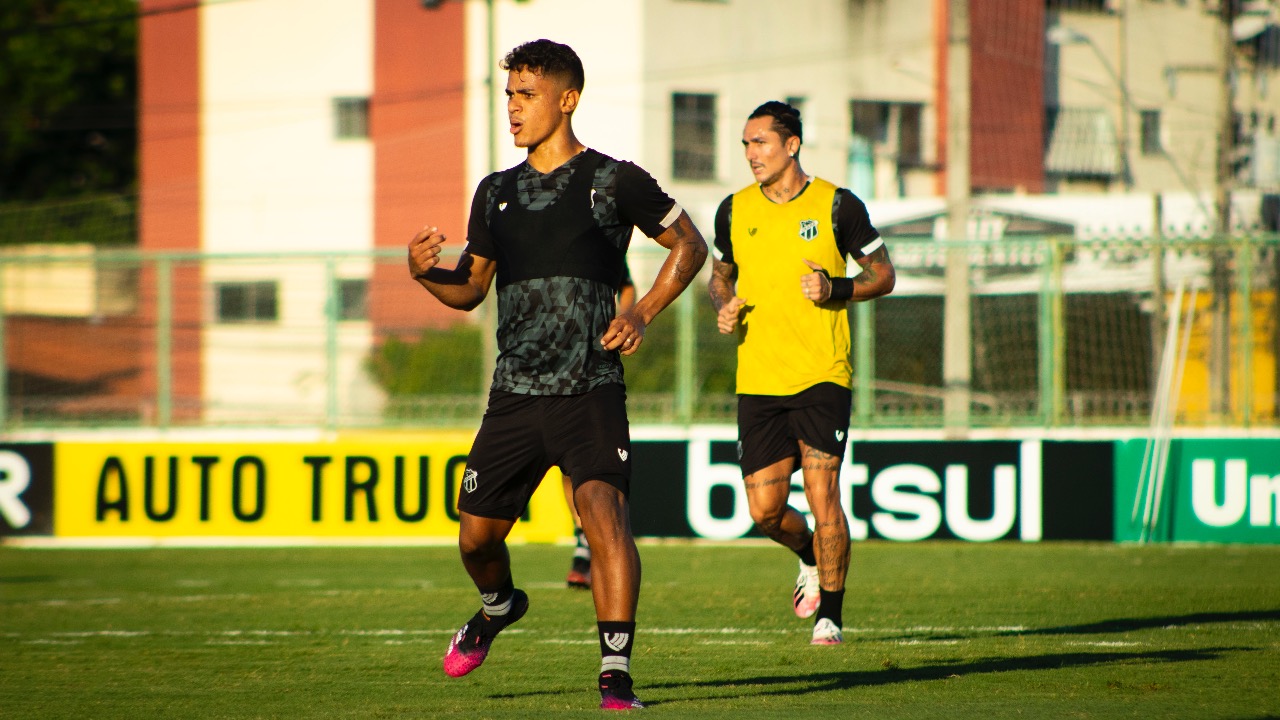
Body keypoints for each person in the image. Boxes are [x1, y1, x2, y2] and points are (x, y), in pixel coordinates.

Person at [408, 39, 707, 710]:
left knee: (603, 514)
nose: (513, 107)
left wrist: (646, 313)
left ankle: (615, 674)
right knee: (476, 538)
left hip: (590, 389)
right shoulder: (495, 193)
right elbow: (471, 289)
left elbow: (690, 243)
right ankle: (497, 607)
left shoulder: (614, 180)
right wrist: (423, 273)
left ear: (567, 99)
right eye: (509, 94)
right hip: (514, 397)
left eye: (527, 94)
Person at [707, 101, 895, 646]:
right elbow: (721, 276)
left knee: (823, 493)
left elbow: (883, 274)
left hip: (822, 374)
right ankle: (809, 555)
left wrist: (835, 288)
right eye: (745, 144)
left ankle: (830, 616)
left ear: (791, 145)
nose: (750, 154)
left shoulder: (838, 205)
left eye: (760, 142)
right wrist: (725, 303)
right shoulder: (733, 210)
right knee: (764, 512)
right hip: (759, 378)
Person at [563, 264, 636, 590]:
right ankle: (582, 537)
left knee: (595, 466)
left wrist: (623, 319)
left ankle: (594, 544)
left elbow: (627, 286)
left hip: (596, 370)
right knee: (565, 466)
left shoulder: (599, 231)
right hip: (549, 368)